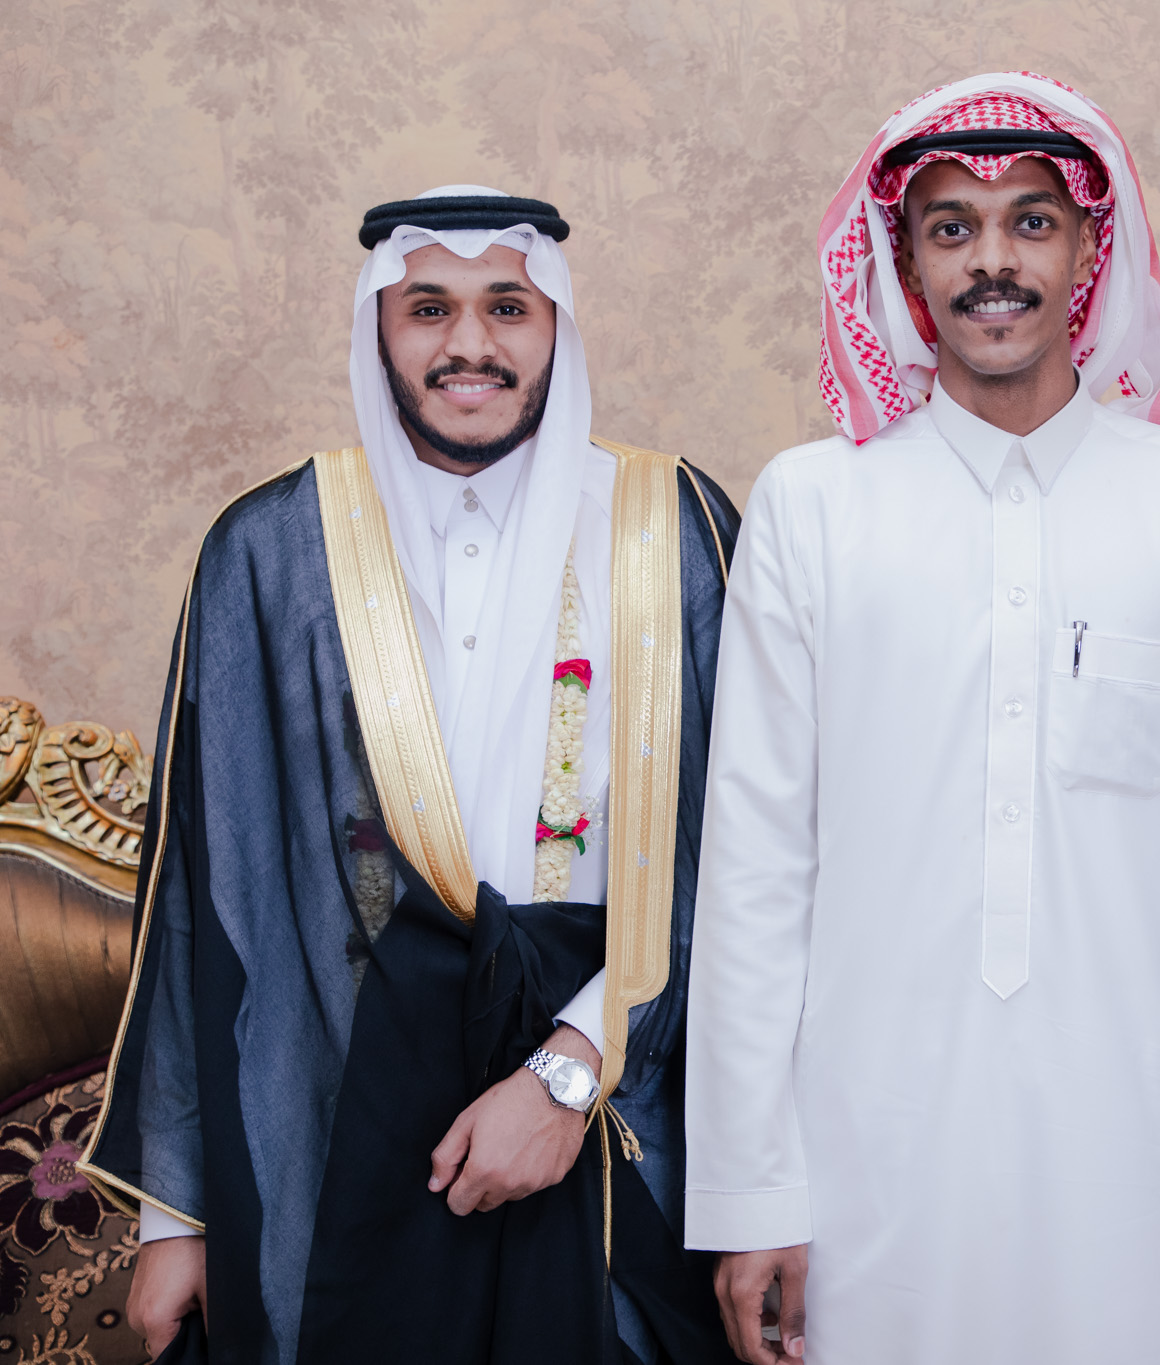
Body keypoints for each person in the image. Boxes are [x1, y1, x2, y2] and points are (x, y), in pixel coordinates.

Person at [683, 72, 1160, 1364]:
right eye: (951, 228)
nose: (992, 263)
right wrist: (752, 1194)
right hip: (865, 1162)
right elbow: (754, 868)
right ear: (906, 263)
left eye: (1032, 222)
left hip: (1138, 1161)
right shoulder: (814, 506)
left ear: (1087, 250)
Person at [81, 186, 738, 1365]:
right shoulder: (271, 549)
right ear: (377, 328)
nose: (469, 344)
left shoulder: (670, 528)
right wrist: (180, 1219)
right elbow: (205, 897)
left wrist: (570, 1070)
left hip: (615, 1100)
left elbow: (740, 858)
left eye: (507, 307)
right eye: (428, 308)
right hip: (346, 1104)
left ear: (556, 323)